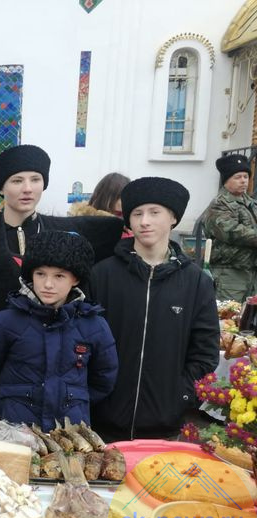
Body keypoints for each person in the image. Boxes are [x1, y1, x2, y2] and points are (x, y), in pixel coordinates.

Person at [0, 144, 122, 423]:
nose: (27, 188)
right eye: (17, 180)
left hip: (56, 374)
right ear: (1, 187)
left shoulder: (66, 232)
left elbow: (120, 231)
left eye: (35, 179)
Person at [89, 177, 219, 441]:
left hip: (165, 426)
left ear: (173, 217)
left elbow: (205, 351)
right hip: (102, 424)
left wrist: (180, 394)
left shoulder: (196, 282)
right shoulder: (102, 275)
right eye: (137, 213)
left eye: (154, 212)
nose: (144, 221)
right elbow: (82, 340)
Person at [0, 231, 118, 431]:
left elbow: (104, 379)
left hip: (70, 435)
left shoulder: (94, 327)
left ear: (75, 279)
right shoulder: (4, 322)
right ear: (31, 275)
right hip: (16, 432)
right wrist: (11, 400)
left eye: (59, 276)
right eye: (40, 274)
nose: (48, 284)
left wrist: (76, 401)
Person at [203, 154, 257, 302]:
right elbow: (231, 231)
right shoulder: (219, 204)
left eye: (246, 176)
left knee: (250, 313)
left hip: (251, 271)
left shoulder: (250, 202)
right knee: (229, 313)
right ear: (226, 180)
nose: (243, 181)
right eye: (238, 177)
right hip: (229, 273)